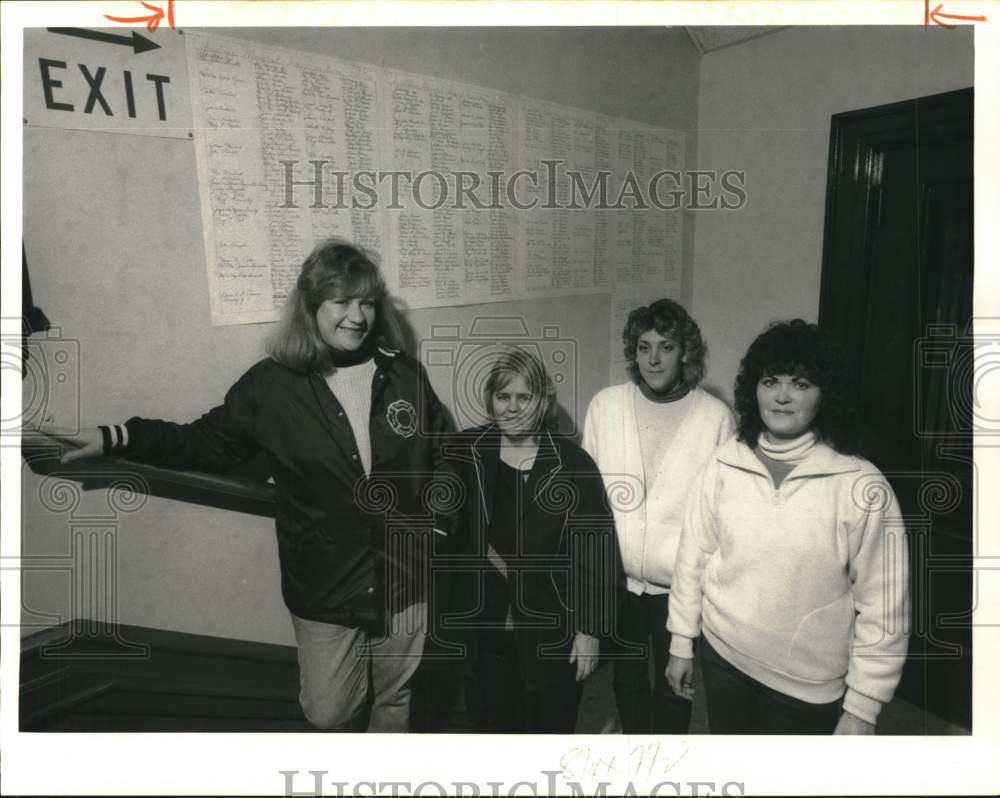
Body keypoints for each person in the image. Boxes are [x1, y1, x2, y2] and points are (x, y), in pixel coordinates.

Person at [59, 239, 453, 733]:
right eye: (342, 301)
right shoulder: (272, 386)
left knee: (396, 699)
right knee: (329, 713)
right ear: (311, 307)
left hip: (406, 576)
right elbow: (204, 442)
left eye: (367, 302)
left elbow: (448, 457)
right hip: (326, 585)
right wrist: (116, 437)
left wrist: (438, 528)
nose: (358, 316)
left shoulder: (405, 378)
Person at [665, 319, 910, 734]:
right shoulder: (725, 461)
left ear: (823, 395)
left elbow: (885, 607)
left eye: (800, 383)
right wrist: (680, 643)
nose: (781, 396)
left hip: (807, 687)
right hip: (723, 660)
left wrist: (863, 708)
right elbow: (693, 558)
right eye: (770, 381)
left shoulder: (862, 486)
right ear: (753, 389)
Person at [440, 347, 625, 733]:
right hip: (484, 640)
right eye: (503, 396)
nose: (512, 408)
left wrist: (590, 631)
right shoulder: (465, 453)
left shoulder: (573, 465)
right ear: (489, 400)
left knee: (549, 744)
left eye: (524, 397)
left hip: (551, 640)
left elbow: (596, 553)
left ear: (542, 401)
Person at [582, 298, 733, 734]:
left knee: (675, 687)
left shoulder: (715, 417)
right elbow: (589, 500)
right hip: (619, 580)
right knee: (627, 681)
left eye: (665, 347)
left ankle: (667, 768)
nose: (653, 358)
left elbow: (721, 512)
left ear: (685, 351)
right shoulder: (606, 406)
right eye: (644, 346)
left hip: (680, 588)